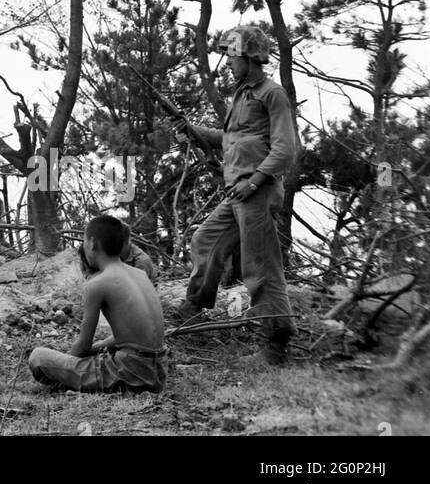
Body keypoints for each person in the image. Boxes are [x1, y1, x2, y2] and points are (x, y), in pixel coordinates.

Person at [177, 25, 299, 364]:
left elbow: (286, 149)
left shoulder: (272, 94)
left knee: (260, 266)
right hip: (238, 193)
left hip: (255, 192)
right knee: (206, 240)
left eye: (231, 56)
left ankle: (275, 343)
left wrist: (255, 181)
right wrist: (194, 131)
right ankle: (191, 310)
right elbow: (232, 140)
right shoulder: (242, 96)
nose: (227, 63)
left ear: (249, 57)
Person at [29, 215, 168, 393]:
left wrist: (68, 363)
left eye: (84, 241)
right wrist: (98, 348)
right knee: (97, 352)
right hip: (158, 372)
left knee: (38, 357)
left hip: (131, 373)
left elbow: (82, 346)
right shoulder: (140, 274)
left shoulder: (97, 284)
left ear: (93, 243)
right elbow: (132, 336)